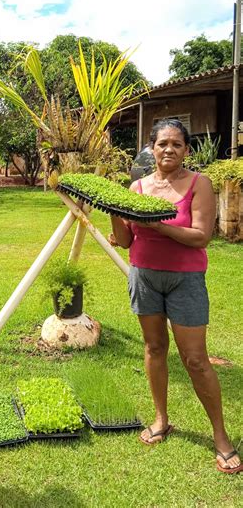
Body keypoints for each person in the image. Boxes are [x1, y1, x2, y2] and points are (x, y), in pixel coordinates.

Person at [110, 118, 242, 474]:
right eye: (162, 143)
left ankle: (221, 437)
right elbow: (125, 241)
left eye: (176, 144)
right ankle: (161, 418)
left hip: (186, 280)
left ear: (186, 150)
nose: (169, 149)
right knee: (154, 349)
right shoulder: (136, 187)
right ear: (152, 149)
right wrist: (114, 214)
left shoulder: (199, 184)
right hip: (144, 276)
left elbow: (201, 236)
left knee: (196, 359)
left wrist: (157, 225)